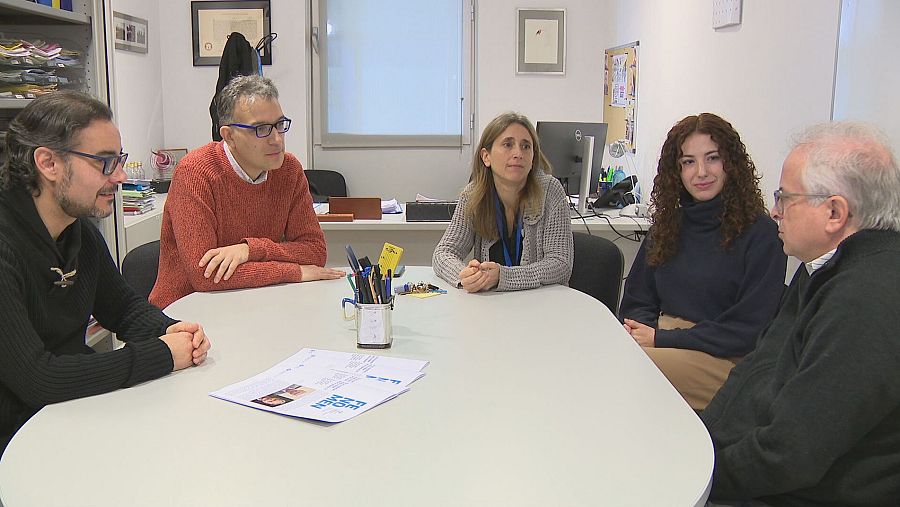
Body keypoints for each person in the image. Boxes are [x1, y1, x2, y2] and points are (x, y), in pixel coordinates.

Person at [0, 91, 211, 454]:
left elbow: (123, 309)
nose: (121, 176)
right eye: (104, 163)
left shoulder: (77, 230)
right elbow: (37, 378)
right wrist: (161, 354)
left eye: (119, 160)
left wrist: (171, 330)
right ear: (48, 164)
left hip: (66, 414)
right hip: (18, 440)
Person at [701, 122, 900, 505]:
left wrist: (698, 477)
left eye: (785, 198)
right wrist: (698, 444)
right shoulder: (823, 268)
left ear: (834, 213)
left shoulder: (866, 300)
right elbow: (753, 373)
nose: (774, 212)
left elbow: (790, 454)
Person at [618, 113, 786, 410]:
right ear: (677, 171)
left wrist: (662, 339)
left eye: (713, 158)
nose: (701, 172)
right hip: (662, 343)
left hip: (725, 358)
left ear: (730, 164)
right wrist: (639, 333)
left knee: (623, 371)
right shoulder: (668, 224)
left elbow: (746, 330)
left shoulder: (762, 234)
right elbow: (637, 299)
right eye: (688, 162)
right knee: (616, 358)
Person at [149, 75, 343, 308]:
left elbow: (315, 251)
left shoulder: (288, 169)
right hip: (187, 312)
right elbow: (206, 277)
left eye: (280, 125)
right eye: (261, 129)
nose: (277, 139)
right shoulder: (196, 173)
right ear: (229, 136)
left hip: (256, 302)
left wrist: (249, 250)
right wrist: (295, 272)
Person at [432, 112, 572, 292]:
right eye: (508, 144)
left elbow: (561, 265)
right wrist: (465, 276)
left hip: (541, 305)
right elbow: (443, 253)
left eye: (526, 146)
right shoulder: (473, 196)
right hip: (492, 306)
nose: (518, 153)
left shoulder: (550, 191)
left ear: (533, 158)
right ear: (486, 157)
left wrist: (504, 277)